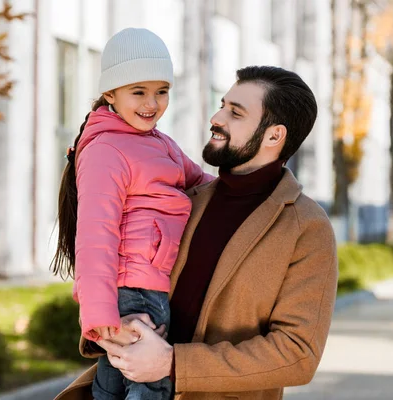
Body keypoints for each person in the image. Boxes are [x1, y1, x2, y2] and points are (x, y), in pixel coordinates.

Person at [55, 65, 339, 400]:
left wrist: (172, 364)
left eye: (235, 113)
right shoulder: (181, 200)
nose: (216, 117)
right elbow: (105, 254)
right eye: (222, 105)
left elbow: (298, 353)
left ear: (274, 135)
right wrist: (108, 332)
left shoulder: (306, 227)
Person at [51, 27, 213, 400]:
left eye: (162, 91)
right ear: (110, 93)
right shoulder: (107, 149)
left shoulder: (159, 143)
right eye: (138, 91)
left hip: (150, 285)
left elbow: (204, 183)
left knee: (113, 386)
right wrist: (103, 322)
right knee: (150, 385)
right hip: (131, 293)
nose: (152, 103)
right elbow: (95, 237)